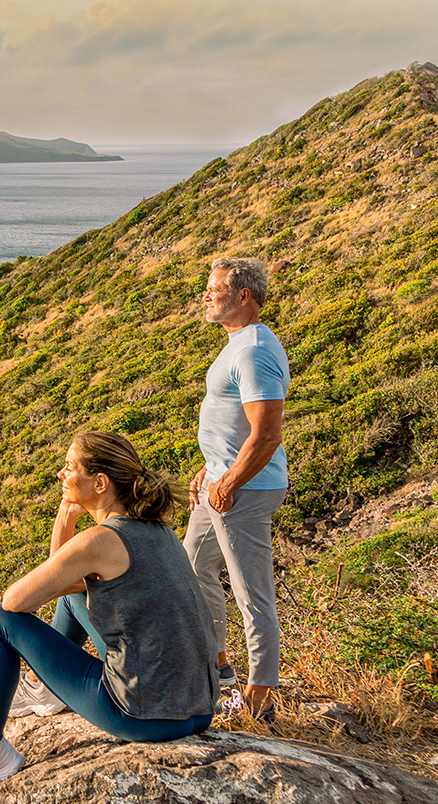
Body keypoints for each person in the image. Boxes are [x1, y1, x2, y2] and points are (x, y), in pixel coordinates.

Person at [0, 432, 218, 798]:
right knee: (74, 600)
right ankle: (45, 692)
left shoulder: (100, 541)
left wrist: (67, 513)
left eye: (70, 467)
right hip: (199, 709)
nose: (61, 474)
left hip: (142, 716)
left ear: (100, 483)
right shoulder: (158, 529)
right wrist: (71, 508)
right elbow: (68, 580)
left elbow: (14, 603)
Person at [184, 257, 288, 720]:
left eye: (215, 288)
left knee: (252, 595)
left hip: (242, 491)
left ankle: (257, 702)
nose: (206, 296)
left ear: (244, 295)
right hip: (220, 483)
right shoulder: (240, 343)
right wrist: (210, 470)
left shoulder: (254, 351)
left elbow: (266, 434)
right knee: (191, 571)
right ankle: (220, 668)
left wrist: (228, 480)